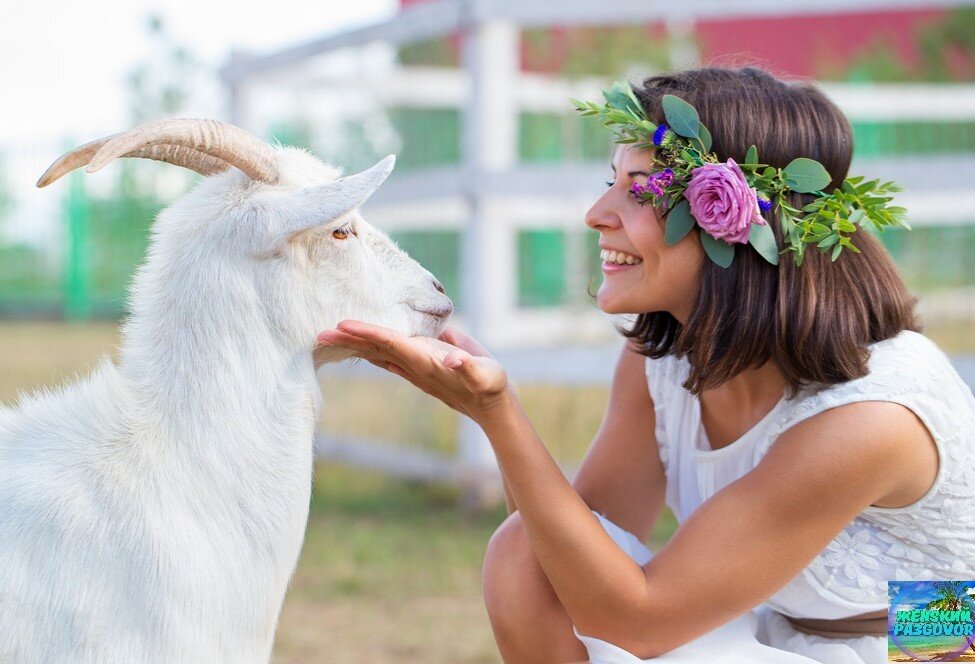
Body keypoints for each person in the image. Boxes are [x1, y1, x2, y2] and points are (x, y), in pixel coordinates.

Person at [315, 66, 975, 663]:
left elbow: (634, 621)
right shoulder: (665, 356)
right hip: (770, 628)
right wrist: (492, 415)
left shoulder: (870, 415)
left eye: (638, 192)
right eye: (611, 184)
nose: (596, 214)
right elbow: (566, 548)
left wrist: (497, 412)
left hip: (928, 645)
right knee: (526, 556)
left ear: (734, 226)